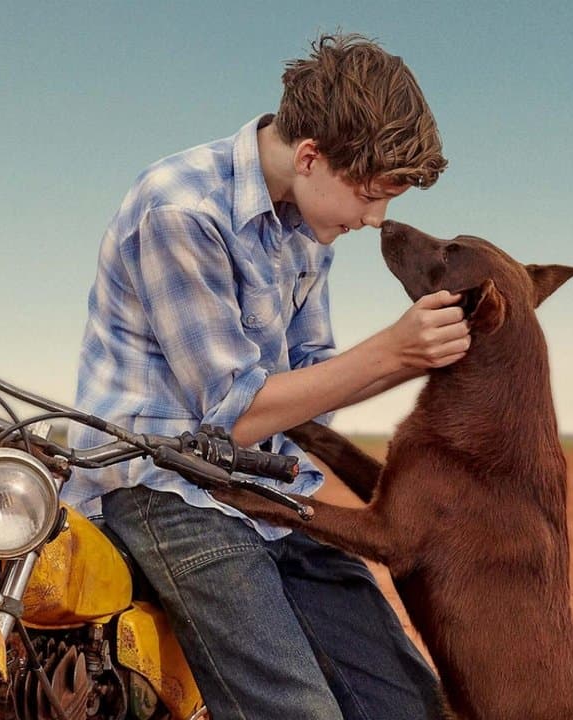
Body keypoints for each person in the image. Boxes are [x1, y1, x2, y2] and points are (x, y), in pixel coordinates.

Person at [66, 33, 468, 719]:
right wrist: (393, 354)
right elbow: (237, 415)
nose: (376, 220)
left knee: (409, 704)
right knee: (300, 712)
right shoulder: (180, 209)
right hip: (166, 488)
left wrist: (422, 355)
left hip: (267, 491)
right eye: (371, 196)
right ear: (309, 155)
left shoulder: (306, 227)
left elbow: (313, 386)